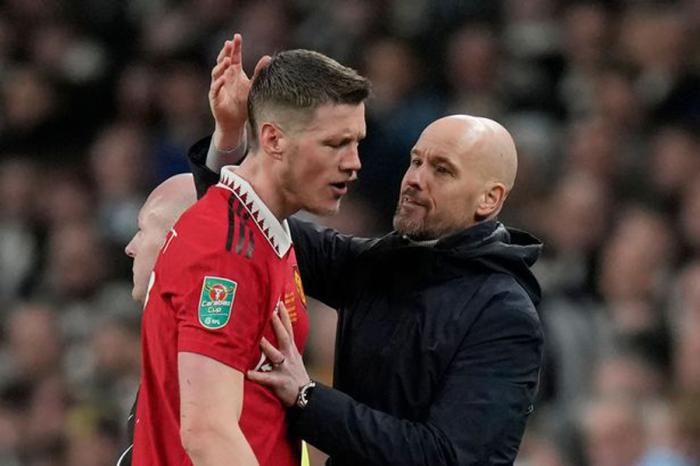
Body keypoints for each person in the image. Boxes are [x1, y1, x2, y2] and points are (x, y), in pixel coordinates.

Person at [188, 40, 544, 465]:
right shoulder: (381, 263)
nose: (415, 179)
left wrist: (308, 397)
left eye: (442, 170)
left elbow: (449, 458)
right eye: (416, 161)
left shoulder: (503, 313)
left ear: (489, 199)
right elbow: (248, 221)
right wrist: (233, 135)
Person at [131, 35, 370, 466]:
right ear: (274, 140)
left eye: (357, 143)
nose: (354, 162)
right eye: (335, 144)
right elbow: (208, 433)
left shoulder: (264, 232)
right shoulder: (226, 252)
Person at [117, 173, 197, 465]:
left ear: (176, 242)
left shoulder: (203, 358)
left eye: (142, 230)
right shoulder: (171, 348)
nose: (130, 247)